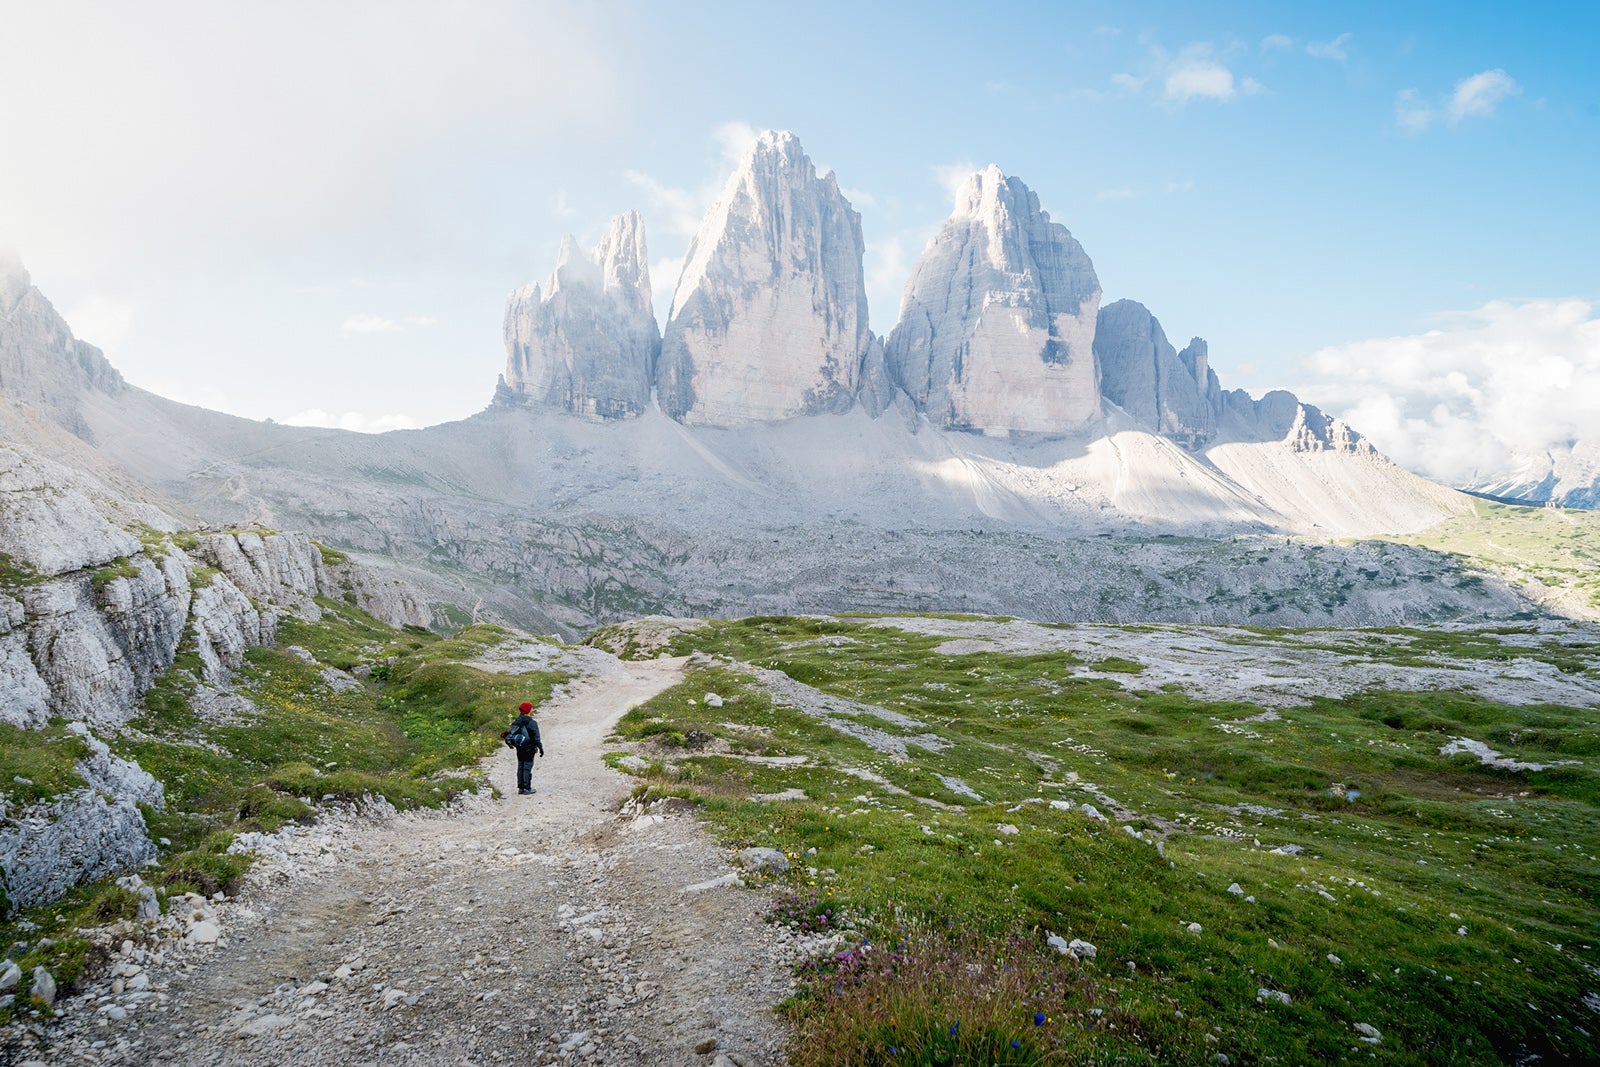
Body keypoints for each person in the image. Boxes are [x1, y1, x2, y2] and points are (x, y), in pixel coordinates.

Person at [503, 701, 544, 795]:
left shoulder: (517, 721)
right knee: (527, 768)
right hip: (529, 748)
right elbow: (536, 738)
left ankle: (520, 788)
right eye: (531, 708)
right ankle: (527, 788)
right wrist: (541, 748)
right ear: (529, 710)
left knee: (520, 766)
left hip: (520, 748)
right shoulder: (532, 722)